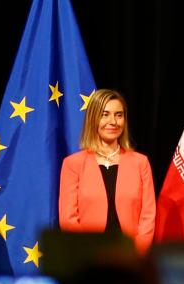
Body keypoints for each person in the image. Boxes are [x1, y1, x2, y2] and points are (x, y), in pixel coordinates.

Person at [57, 88, 156, 252]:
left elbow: (148, 217)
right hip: (87, 258)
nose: (113, 121)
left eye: (119, 115)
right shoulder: (73, 164)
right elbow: (68, 220)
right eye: (105, 114)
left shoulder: (140, 163)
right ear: (93, 119)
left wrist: (135, 253)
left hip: (130, 259)